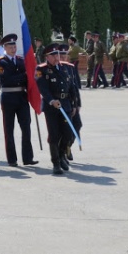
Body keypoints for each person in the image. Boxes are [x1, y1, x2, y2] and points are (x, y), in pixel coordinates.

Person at [0, 33, 37, 167]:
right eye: (10, 46)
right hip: (8, 97)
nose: (13, 48)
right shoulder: (0, 62)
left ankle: (27, 157)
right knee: (9, 129)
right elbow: (6, 80)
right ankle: (12, 159)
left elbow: (28, 78)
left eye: (14, 46)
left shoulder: (21, 60)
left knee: (26, 127)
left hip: (21, 97)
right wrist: (23, 75)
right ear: (5, 47)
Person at [35, 44, 78, 175]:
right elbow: (43, 88)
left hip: (65, 105)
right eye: (53, 55)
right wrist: (51, 100)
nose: (56, 57)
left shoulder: (65, 68)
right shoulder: (41, 69)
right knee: (54, 135)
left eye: (57, 55)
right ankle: (56, 163)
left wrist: (74, 104)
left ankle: (61, 155)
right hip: (51, 107)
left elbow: (71, 87)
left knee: (68, 134)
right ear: (46, 57)